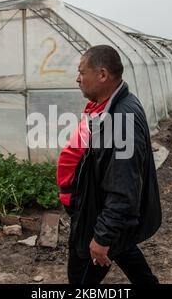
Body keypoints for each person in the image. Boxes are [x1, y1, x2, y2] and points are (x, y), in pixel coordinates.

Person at [56, 45, 162, 284]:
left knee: (80, 280)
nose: (77, 78)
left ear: (102, 75)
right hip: (94, 206)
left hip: (96, 217)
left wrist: (102, 237)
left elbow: (124, 188)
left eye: (82, 72)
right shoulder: (109, 106)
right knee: (124, 248)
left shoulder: (122, 121)